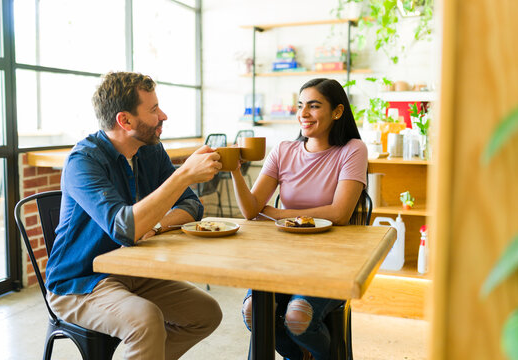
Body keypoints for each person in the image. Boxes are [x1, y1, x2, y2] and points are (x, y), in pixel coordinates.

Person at [45, 71, 223, 359]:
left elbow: (191, 206)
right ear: (125, 120)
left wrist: (155, 223)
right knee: (145, 320)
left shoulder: (150, 151)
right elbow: (125, 228)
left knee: (205, 313)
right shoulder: (84, 161)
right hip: (79, 282)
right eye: (153, 110)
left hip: (132, 269)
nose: (163, 115)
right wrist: (184, 176)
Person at [230, 78, 368, 360]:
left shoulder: (353, 149)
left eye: (314, 106)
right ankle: (300, 356)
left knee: (297, 317)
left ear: (338, 112)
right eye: (300, 106)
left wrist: (279, 214)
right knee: (251, 312)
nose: (303, 114)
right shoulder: (283, 151)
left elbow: (340, 213)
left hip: (332, 259)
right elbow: (251, 209)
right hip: (283, 257)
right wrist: (234, 170)